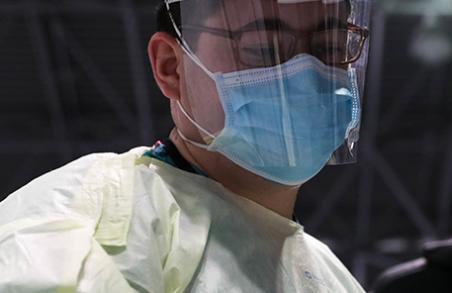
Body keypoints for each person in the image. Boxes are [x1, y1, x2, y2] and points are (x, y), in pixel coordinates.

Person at [0, 0, 371, 291]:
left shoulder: (332, 277)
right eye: (262, 47)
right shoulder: (92, 218)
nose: (305, 73)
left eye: (330, 47)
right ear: (171, 67)